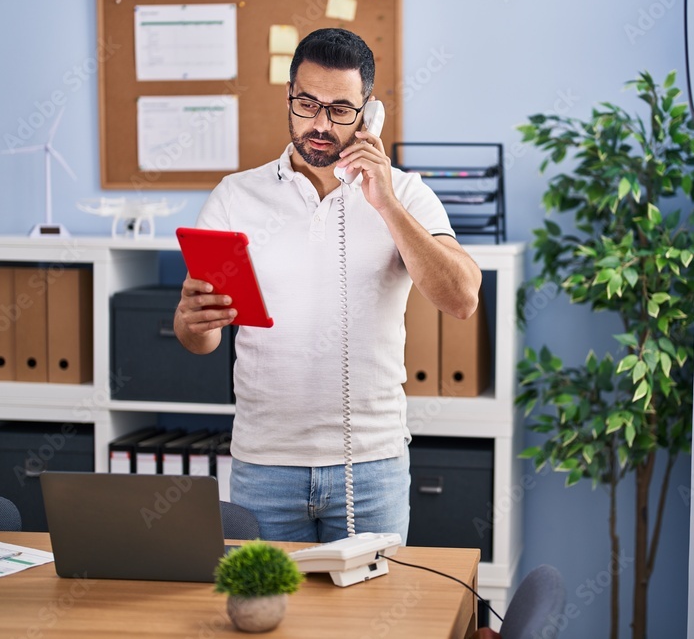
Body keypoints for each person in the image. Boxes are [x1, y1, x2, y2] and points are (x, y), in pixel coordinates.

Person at [174, 28, 481, 544]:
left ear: (368, 114)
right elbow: (201, 340)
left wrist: (384, 202)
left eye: (340, 109)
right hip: (264, 463)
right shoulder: (234, 197)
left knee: (370, 621)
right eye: (307, 103)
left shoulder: (405, 192)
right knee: (267, 617)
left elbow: (462, 298)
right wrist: (191, 322)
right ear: (288, 98)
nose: (320, 123)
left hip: (371, 464)